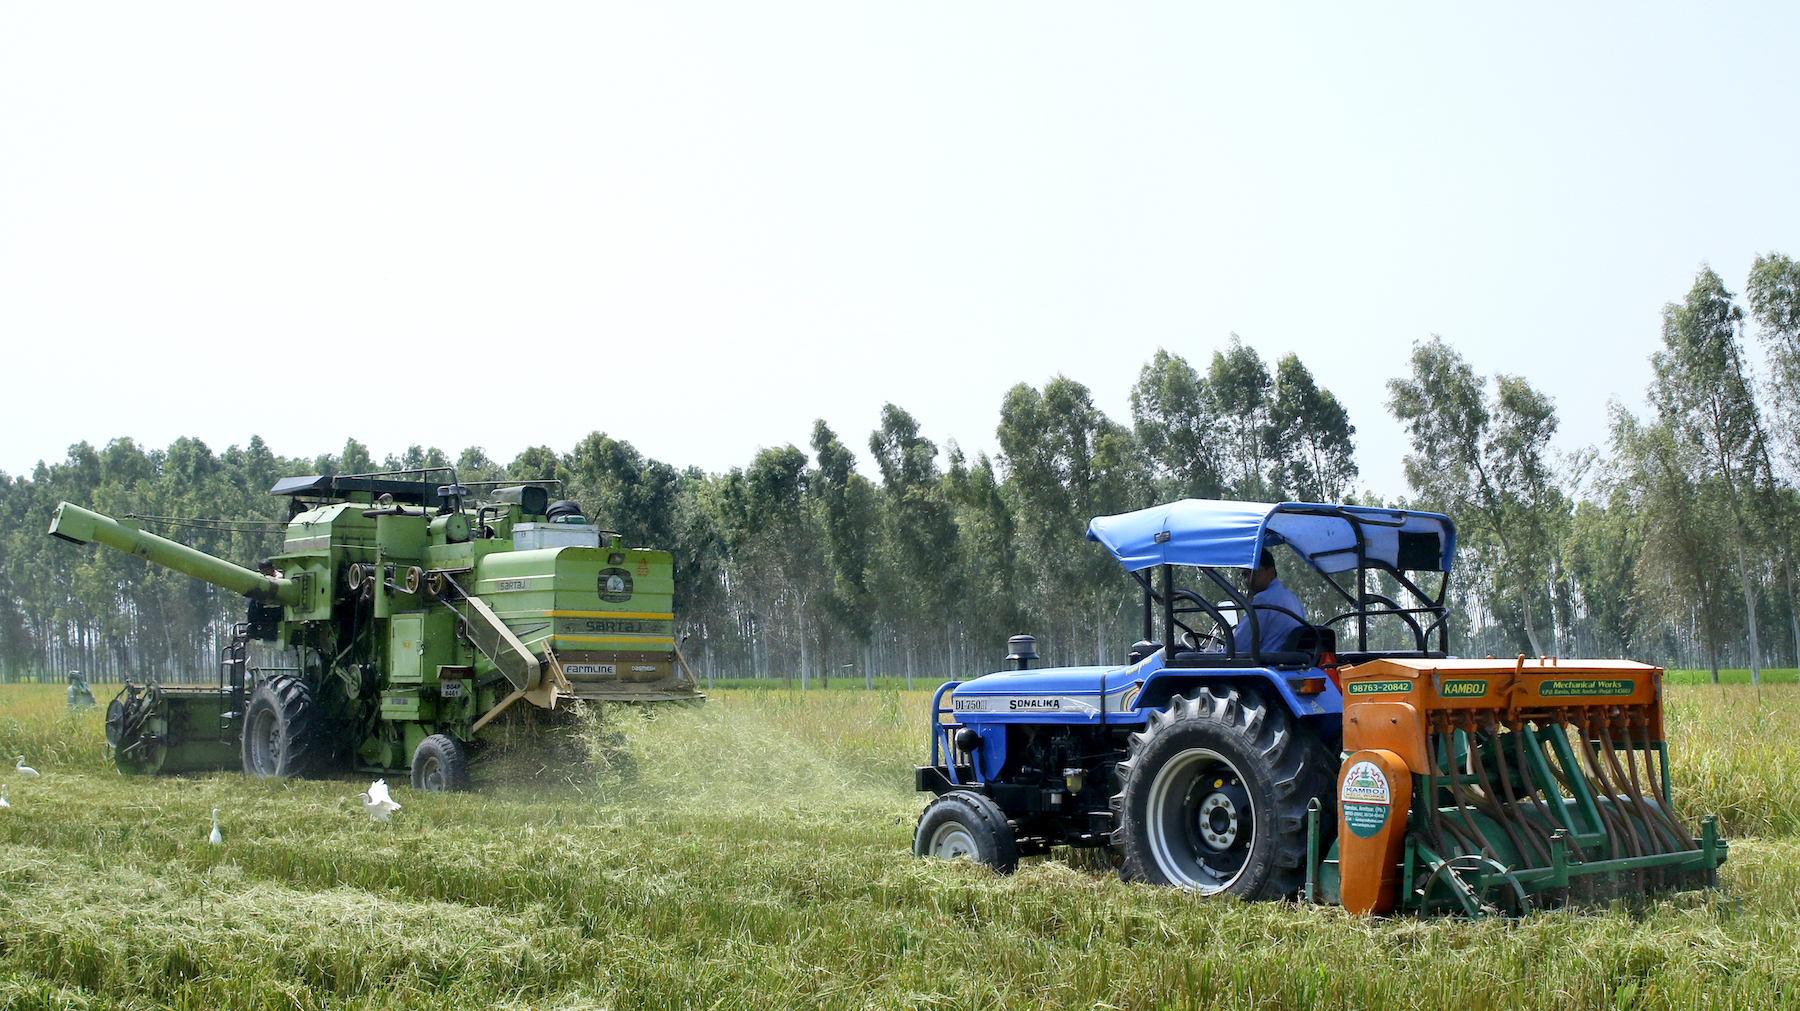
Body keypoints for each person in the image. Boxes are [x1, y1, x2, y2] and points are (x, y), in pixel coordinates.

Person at [1232, 548, 1305, 657]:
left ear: (1271, 572)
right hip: (1285, 664)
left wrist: (1214, 655)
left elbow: (1238, 646)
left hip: (1266, 666)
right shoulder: (1293, 599)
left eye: (1253, 574)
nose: (1248, 581)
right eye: (1245, 576)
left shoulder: (1264, 599)